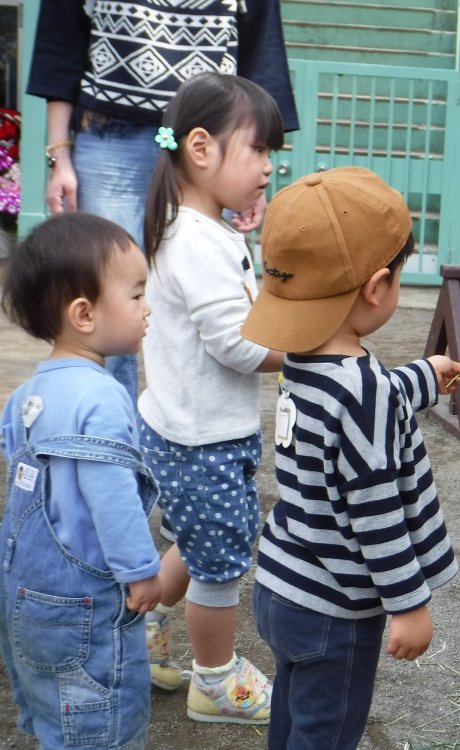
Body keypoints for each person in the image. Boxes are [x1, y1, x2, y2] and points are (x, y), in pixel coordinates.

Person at [240, 166, 460, 749]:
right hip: (335, 609)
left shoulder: (303, 359)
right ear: (377, 287)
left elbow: (364, 404)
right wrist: (410, 603)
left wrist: (425, 379)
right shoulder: (362, 389)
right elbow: (376, 509)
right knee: (328, 734)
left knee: (293, 718)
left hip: (282, 584)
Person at [26, 0, 299, 403]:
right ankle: (107, 428)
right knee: (106, 291)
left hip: (214, 147)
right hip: (107, 135)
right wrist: (59, 153)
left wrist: (253, 164)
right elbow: (60, 40)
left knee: (198, 292)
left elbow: (261, 55)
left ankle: (176, 431)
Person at [136, 71, 285, 724]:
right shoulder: (200, 241)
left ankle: (142, 624)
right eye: (257, 150)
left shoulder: (192, 227)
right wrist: (308, 352)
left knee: (190, 539)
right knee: (222, 558)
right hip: (202, 441)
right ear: (202, 149)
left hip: (179, 431)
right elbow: (239, 343)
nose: (268, 167)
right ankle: (216, 680)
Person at [0, 213, 161, 748]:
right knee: (102, 723)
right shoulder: (101, 396)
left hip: (27, 599)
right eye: (137, 295)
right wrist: (142, 570)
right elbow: (111, 496)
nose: (148, 308)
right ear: (85, 314)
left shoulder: (25, 396)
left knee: (58, 719)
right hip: (84, 607)